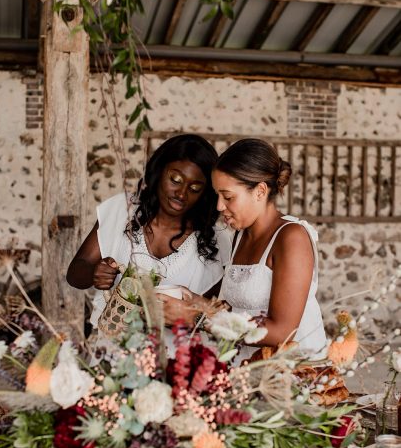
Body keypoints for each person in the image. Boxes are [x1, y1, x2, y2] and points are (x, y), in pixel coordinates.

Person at [66, 134, 231, 332]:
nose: (181, 193)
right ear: (159, 171)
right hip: (110, 349)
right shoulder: (123, 210)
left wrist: (186, 313)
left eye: (195, 188)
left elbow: (214, 313)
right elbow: (75, 273)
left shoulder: (214, 240)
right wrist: (94, 273)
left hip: (175, 357)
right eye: (175, 180)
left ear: (205, 193)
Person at [212, 138, 326, 361]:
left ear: (260, 191)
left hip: (295, 375)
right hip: (250, 371)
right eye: (217, 195)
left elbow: (282, 332)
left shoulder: (291, 238)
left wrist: (202, 321)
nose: (219, 206)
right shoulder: (240, 235)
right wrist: (187, 301)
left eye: (228, 197)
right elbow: (230, 307)